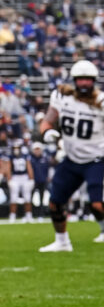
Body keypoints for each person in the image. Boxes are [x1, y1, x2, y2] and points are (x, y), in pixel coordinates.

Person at [38, 60, 104, 252]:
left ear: (94, 81)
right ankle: (62, 242)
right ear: (74, 80)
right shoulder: (62, 96)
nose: (84, 83)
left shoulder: (100, 101)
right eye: (80, 79)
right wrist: (48, 133)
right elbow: (47, 121)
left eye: (87, 80)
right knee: (55, 203)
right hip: (71, 158)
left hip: (97, 158)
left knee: (97, 204)